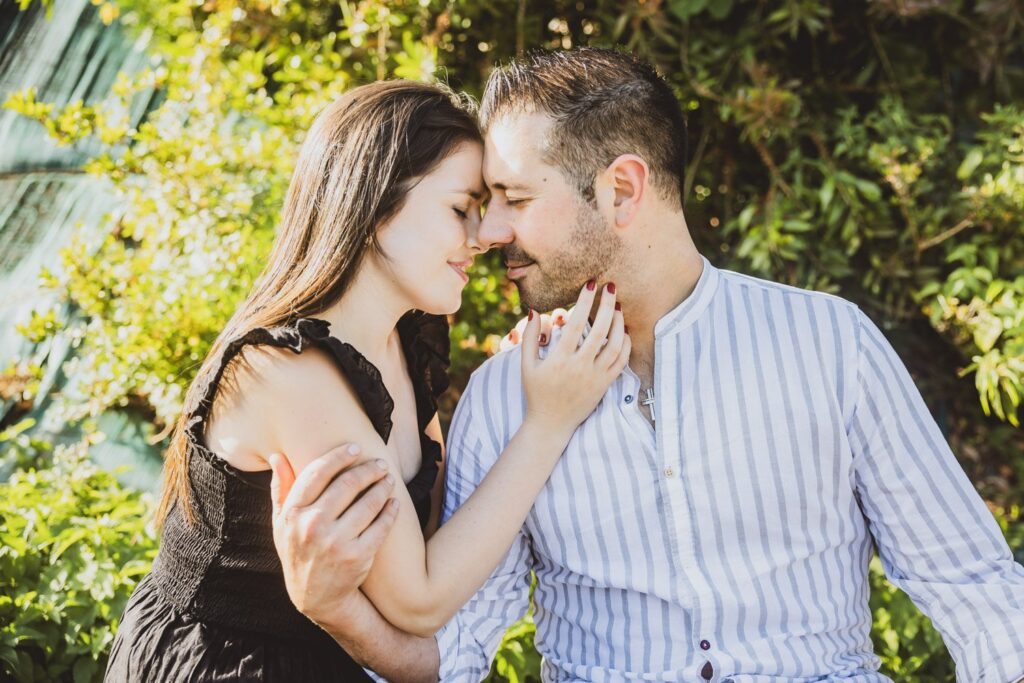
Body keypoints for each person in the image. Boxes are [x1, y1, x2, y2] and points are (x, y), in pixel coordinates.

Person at [272, 48, 1024, 682]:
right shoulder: (505, 399)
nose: (491, 231)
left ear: (621, 190)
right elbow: (456, 648)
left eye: (515, 198)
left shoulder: (832, 347)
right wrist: (337, 609)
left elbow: (976, 589)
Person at [104, 79, 631, 682]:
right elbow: (421, 600)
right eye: (461, 208)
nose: (481, 237)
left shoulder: (405, 347)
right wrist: (548, 420)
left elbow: (431, 545)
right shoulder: (290, 373)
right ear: (377, 209)